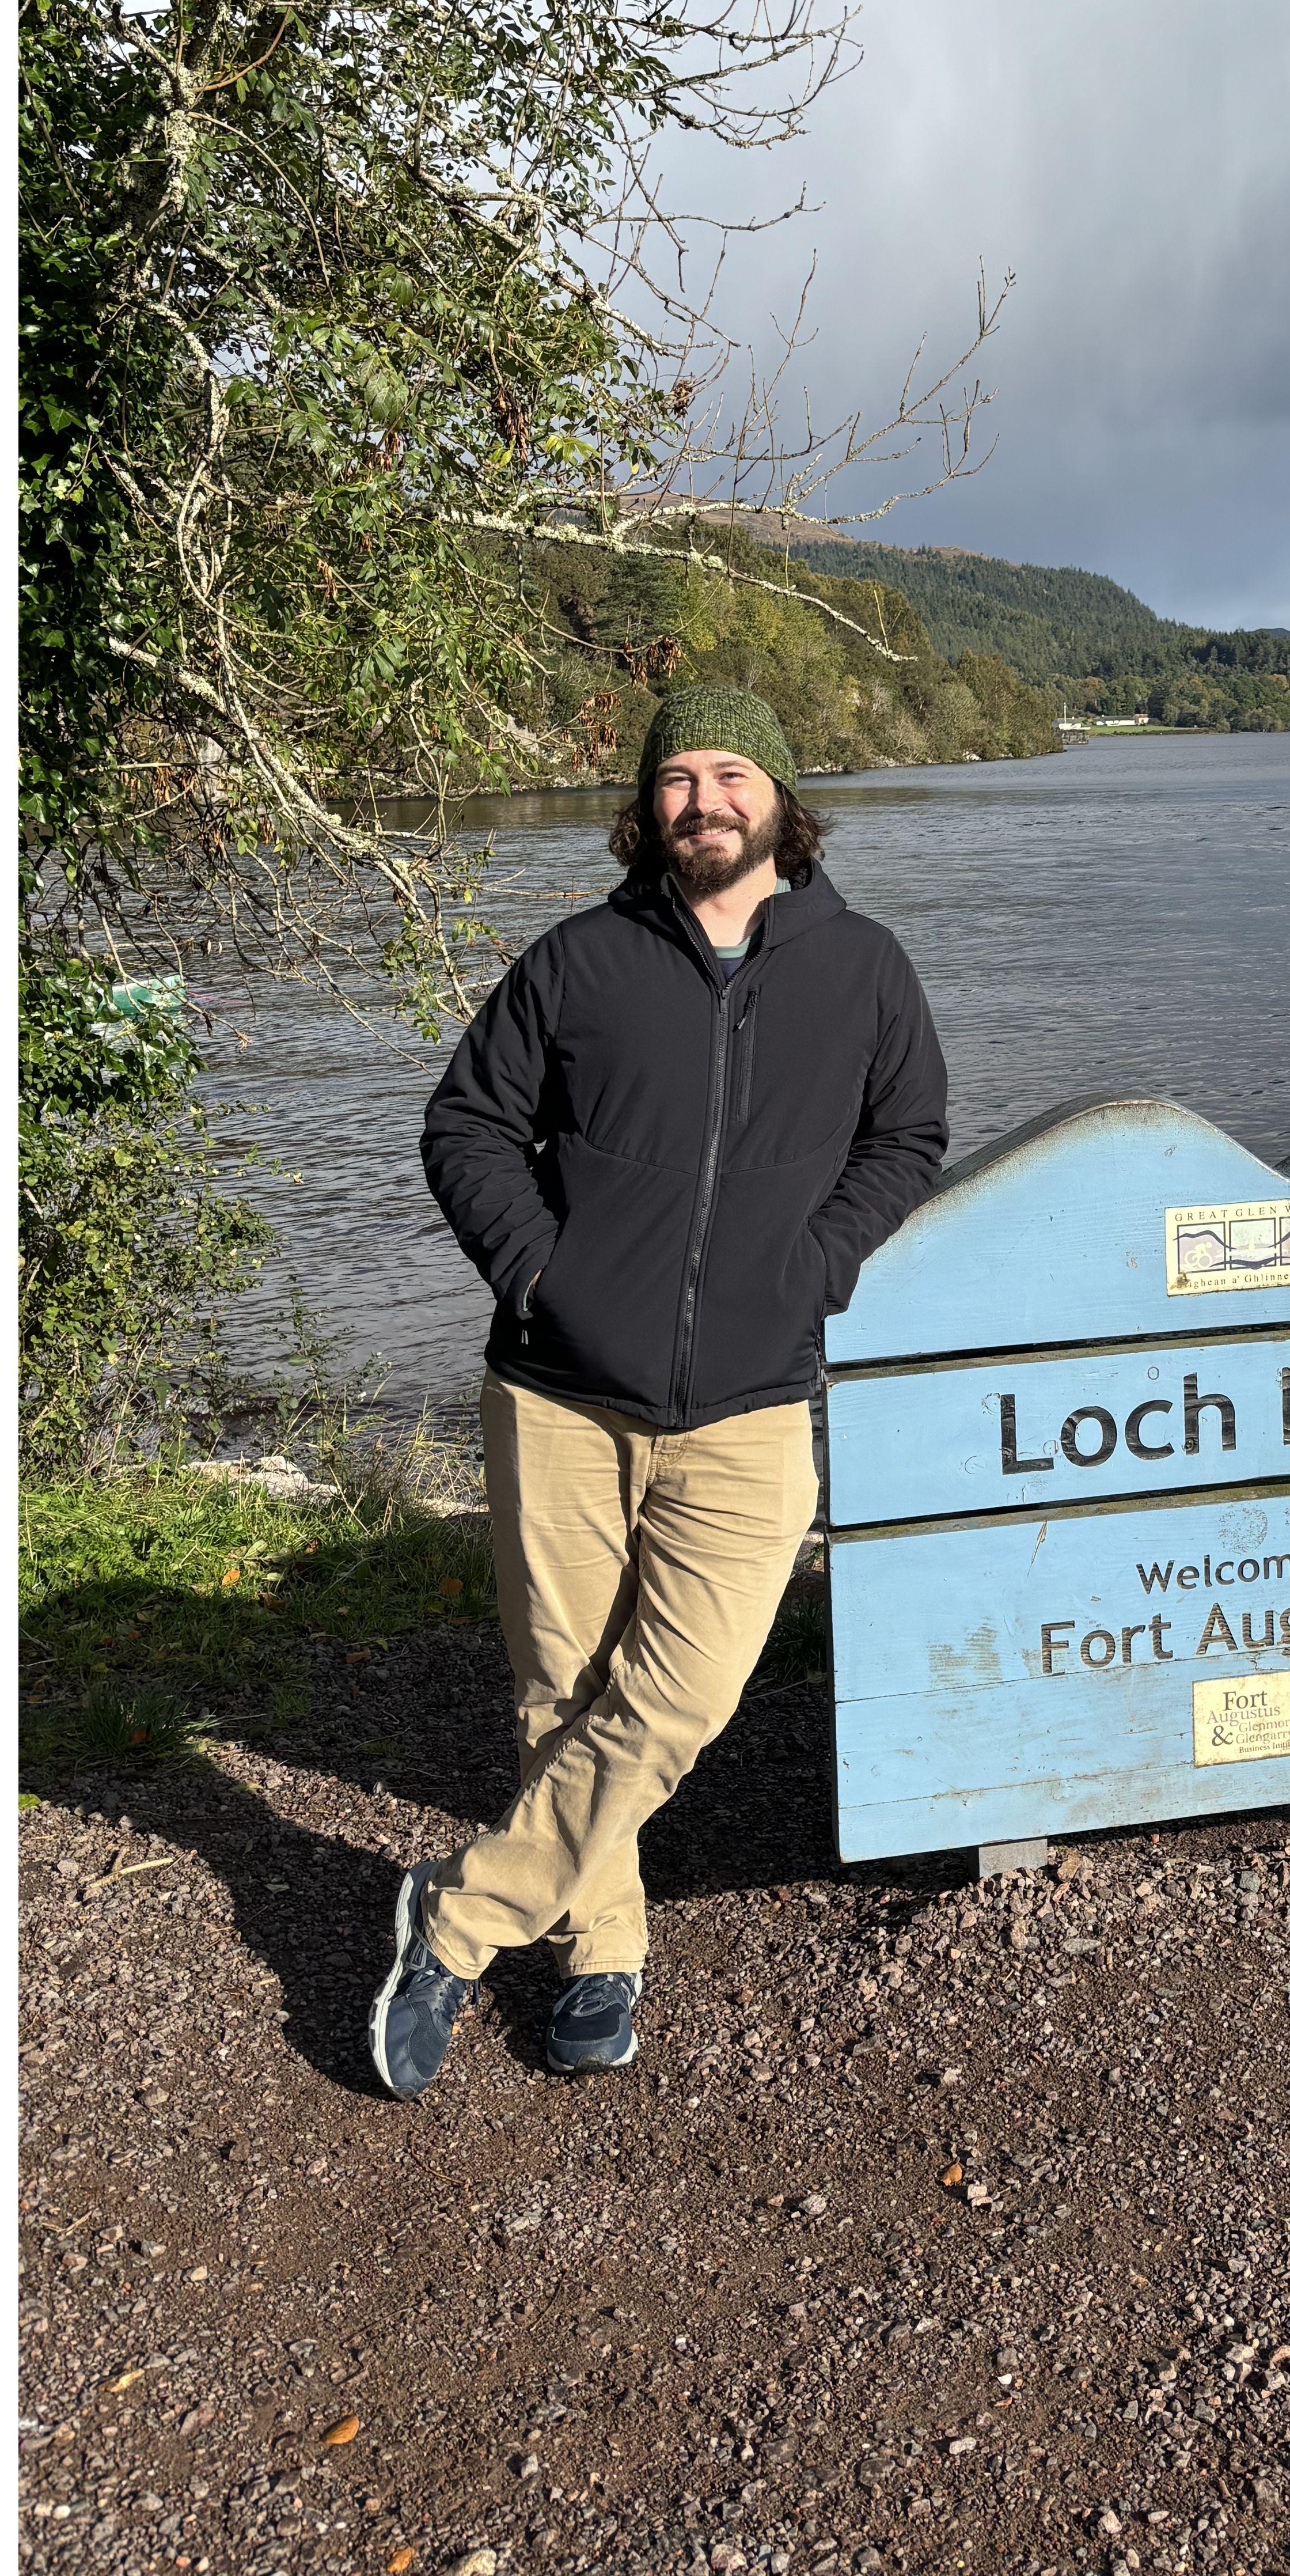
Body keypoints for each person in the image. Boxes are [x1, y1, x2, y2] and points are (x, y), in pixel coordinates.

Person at [370, 684, 948, 2098]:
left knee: (676, 1702)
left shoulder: (865, 968)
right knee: (563, 1690)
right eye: (678, 776)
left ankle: (454, 1920)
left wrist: (816, 1264)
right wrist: (537, 1273)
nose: (704, 799)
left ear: (781, 798)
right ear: (651, 807)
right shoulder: (578, 962)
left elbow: (909, 1132)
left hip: (751, 1403)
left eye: (731, 771)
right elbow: (469, 1125)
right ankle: (599, 1954)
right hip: (561, 1390)